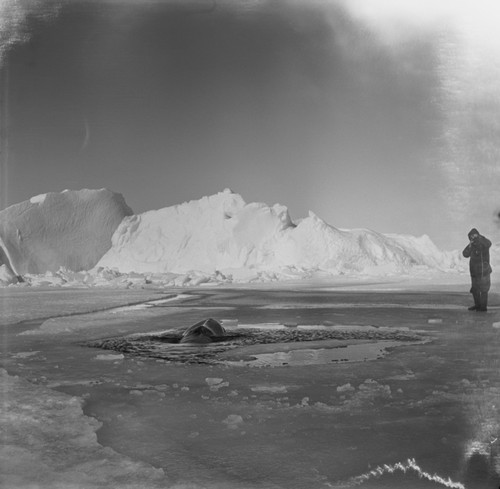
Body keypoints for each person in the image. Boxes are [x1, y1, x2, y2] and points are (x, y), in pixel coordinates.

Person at [462, 228, 492, 312]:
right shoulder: (472, 245)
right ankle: (477, 305)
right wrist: (470, 245)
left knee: (484, 289)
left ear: (478, 234)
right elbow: (465, 254)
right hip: (475, 272)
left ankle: (483, 307)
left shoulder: (484, 242)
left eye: (474, 235)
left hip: (484, 271)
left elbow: (489, 243)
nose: (473, 237)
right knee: (475, 289)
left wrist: (480, 238)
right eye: (471, 236)